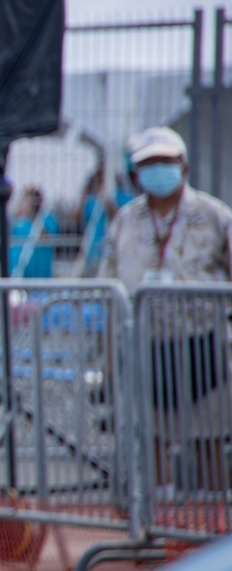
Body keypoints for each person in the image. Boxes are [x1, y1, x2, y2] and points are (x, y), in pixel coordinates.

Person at [98, 125, 232, 495]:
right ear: (136, 173)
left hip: (203, 344)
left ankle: (214, 528)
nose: (157, 169)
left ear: (183, 167)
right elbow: (107, 282)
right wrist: (107, 356)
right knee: (151, 437)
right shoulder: (125, 220)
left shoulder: (213, 215)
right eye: (148, 163)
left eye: (165, 161)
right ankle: (160, 525)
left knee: (208, 436)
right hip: (147, 345)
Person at [9, 185, 59, 278]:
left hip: (40, 274)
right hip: (19, 274)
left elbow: (49, 237)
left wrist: (36, 220)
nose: (21, 204)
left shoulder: (46, 220)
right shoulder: (18, 224)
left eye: (25, 201)